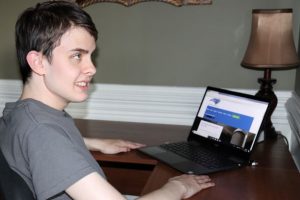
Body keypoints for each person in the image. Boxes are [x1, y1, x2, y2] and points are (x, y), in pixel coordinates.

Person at [0, 1, 215, 199]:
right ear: (38, 62)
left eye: (91, 55)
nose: (91, 68)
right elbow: (46, 141)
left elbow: (37, 143)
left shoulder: (22, 113)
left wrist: (93, 143)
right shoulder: (44, 134)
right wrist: (178, 187)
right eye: (77, 56)